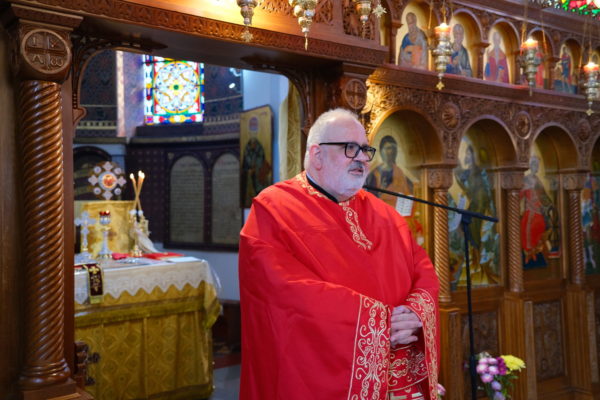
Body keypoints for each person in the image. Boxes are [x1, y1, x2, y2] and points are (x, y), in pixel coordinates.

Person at [239, 108, 440, 400]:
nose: (362, 158)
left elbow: (422, 269)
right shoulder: (274, 210)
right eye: (349, 148)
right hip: (319, 377)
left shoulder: (385, 214)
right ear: (317, 154)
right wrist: (379, 322)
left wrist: (413, 313)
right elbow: (285, 293)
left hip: (398, 375)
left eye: (365, 150)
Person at [366, 135, 425, 244]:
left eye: (393, 149)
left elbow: (410, 194)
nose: (390, 152)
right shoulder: (375, 174)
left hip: (400, 215)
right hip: (382, 216)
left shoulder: (400, 172)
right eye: (387, 148)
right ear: (381, 151)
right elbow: (370, 199)